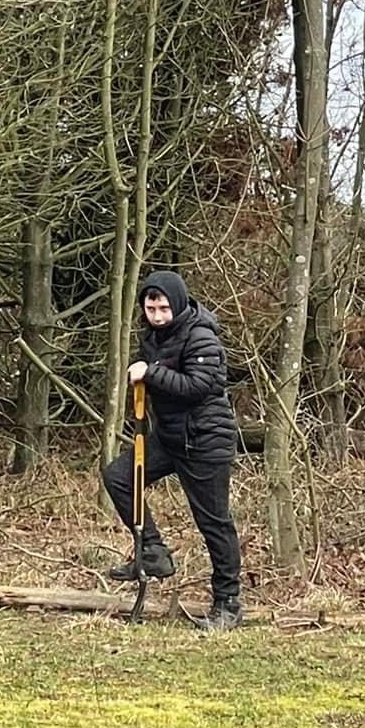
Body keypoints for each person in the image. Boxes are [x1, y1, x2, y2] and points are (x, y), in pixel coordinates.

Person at [101, 269, 244, 632]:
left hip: (205, 440)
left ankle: (228, 603)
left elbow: (200, 385)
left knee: (213, 522)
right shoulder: (154, 337)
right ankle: (152, 552)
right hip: (170, 437)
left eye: (163, 308)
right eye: (151, 309)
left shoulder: (200, 335)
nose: (158, 315)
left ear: (177, 304)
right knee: (119, 477)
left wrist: (149, 372)